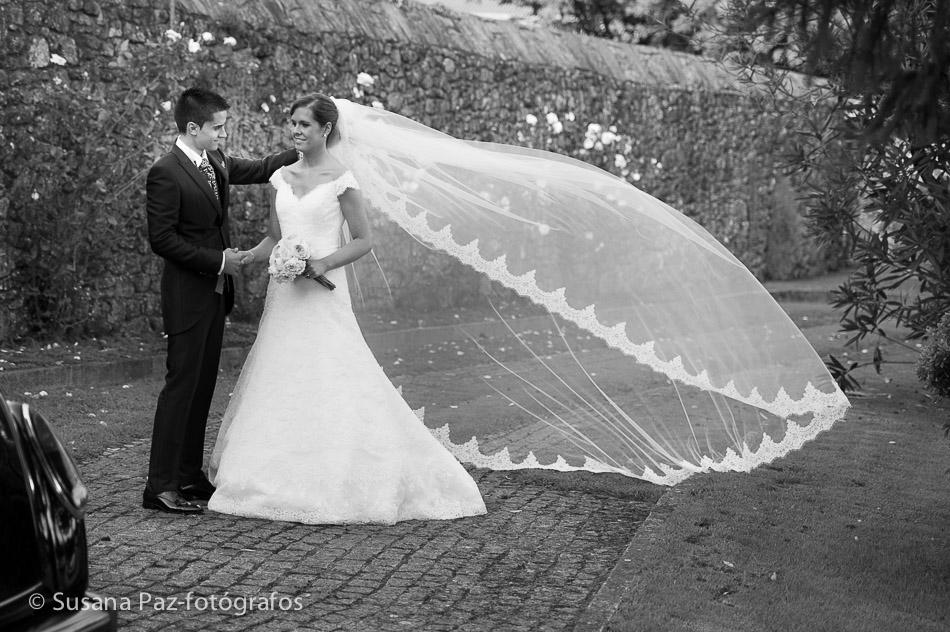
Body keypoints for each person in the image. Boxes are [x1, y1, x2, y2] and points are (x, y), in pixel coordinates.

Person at [207, 94, 487, 524]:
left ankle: (342, 467)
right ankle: (271, 471)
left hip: (324, 292)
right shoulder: (280, 177)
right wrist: (247, 257)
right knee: (282, 371)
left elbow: (363, 239)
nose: (295, 131)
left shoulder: (342, 179)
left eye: (304, 124)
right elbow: (275, 236)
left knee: (333, 369)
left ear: (326, 130)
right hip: (285, 295)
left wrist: (321, 263)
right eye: (292, 123)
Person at [144, 87, 298, 514]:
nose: (224, 134)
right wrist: (219, 261)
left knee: (202, 387)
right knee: (181, 387)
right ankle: (160, 486)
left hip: (216, 296)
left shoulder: (216, 162)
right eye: (218, 128)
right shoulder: (165, 172)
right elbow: (162, 240)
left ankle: (188, 476)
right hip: (188, 296)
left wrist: (306, 147)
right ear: (193, 127)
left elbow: (262, 168)